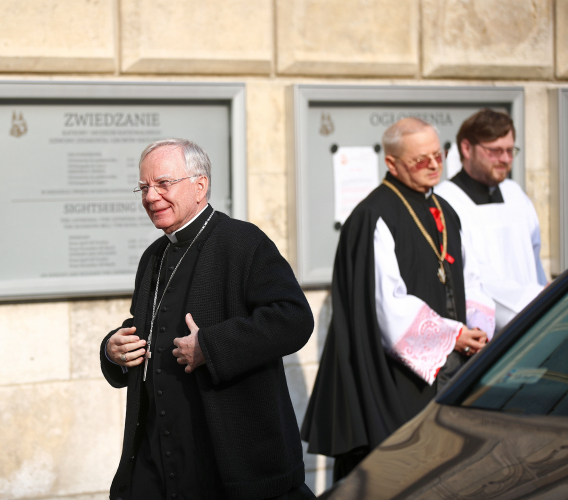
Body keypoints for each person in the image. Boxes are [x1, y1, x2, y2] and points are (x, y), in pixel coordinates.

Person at [100, 138, 315, 500]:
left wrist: (211, 347)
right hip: (158, 458)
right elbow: (153, 321)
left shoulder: (243, 241)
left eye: (163, 184)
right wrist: (113, 348)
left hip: (229, 458)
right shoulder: (154, 254)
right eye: (144, 187)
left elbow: (293, 318)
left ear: (200, 185)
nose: (151, 197)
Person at [300, 117, 495, 483]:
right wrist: (452, 335)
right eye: (421, 159)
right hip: (396, 375)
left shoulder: (443, 210)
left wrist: (478, 327)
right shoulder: (374, 215)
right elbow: (387, 306)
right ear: (392, 163)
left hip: (452, 362)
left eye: (439, 154)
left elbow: (469, 278)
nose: (435, 165)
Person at [435, 109, 547, 331]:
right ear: (466, 148)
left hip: (535, 320)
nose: (505, 159)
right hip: (483, 332)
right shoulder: (446, 201)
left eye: (510, 151)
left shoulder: (516, 194)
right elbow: (472, 276)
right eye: (495, 151)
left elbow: (534, 259)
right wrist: (532, 301)